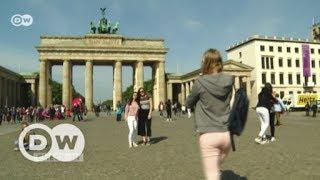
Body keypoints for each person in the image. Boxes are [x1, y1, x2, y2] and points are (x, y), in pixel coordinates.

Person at [185, 49, 234, 180]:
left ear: (205, 63)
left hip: (208, 134)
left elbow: (188, 102)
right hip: (226, 134)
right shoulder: (229, 80)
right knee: (215, 167)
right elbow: (227, 100)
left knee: (212, 174)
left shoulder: (200, 82)